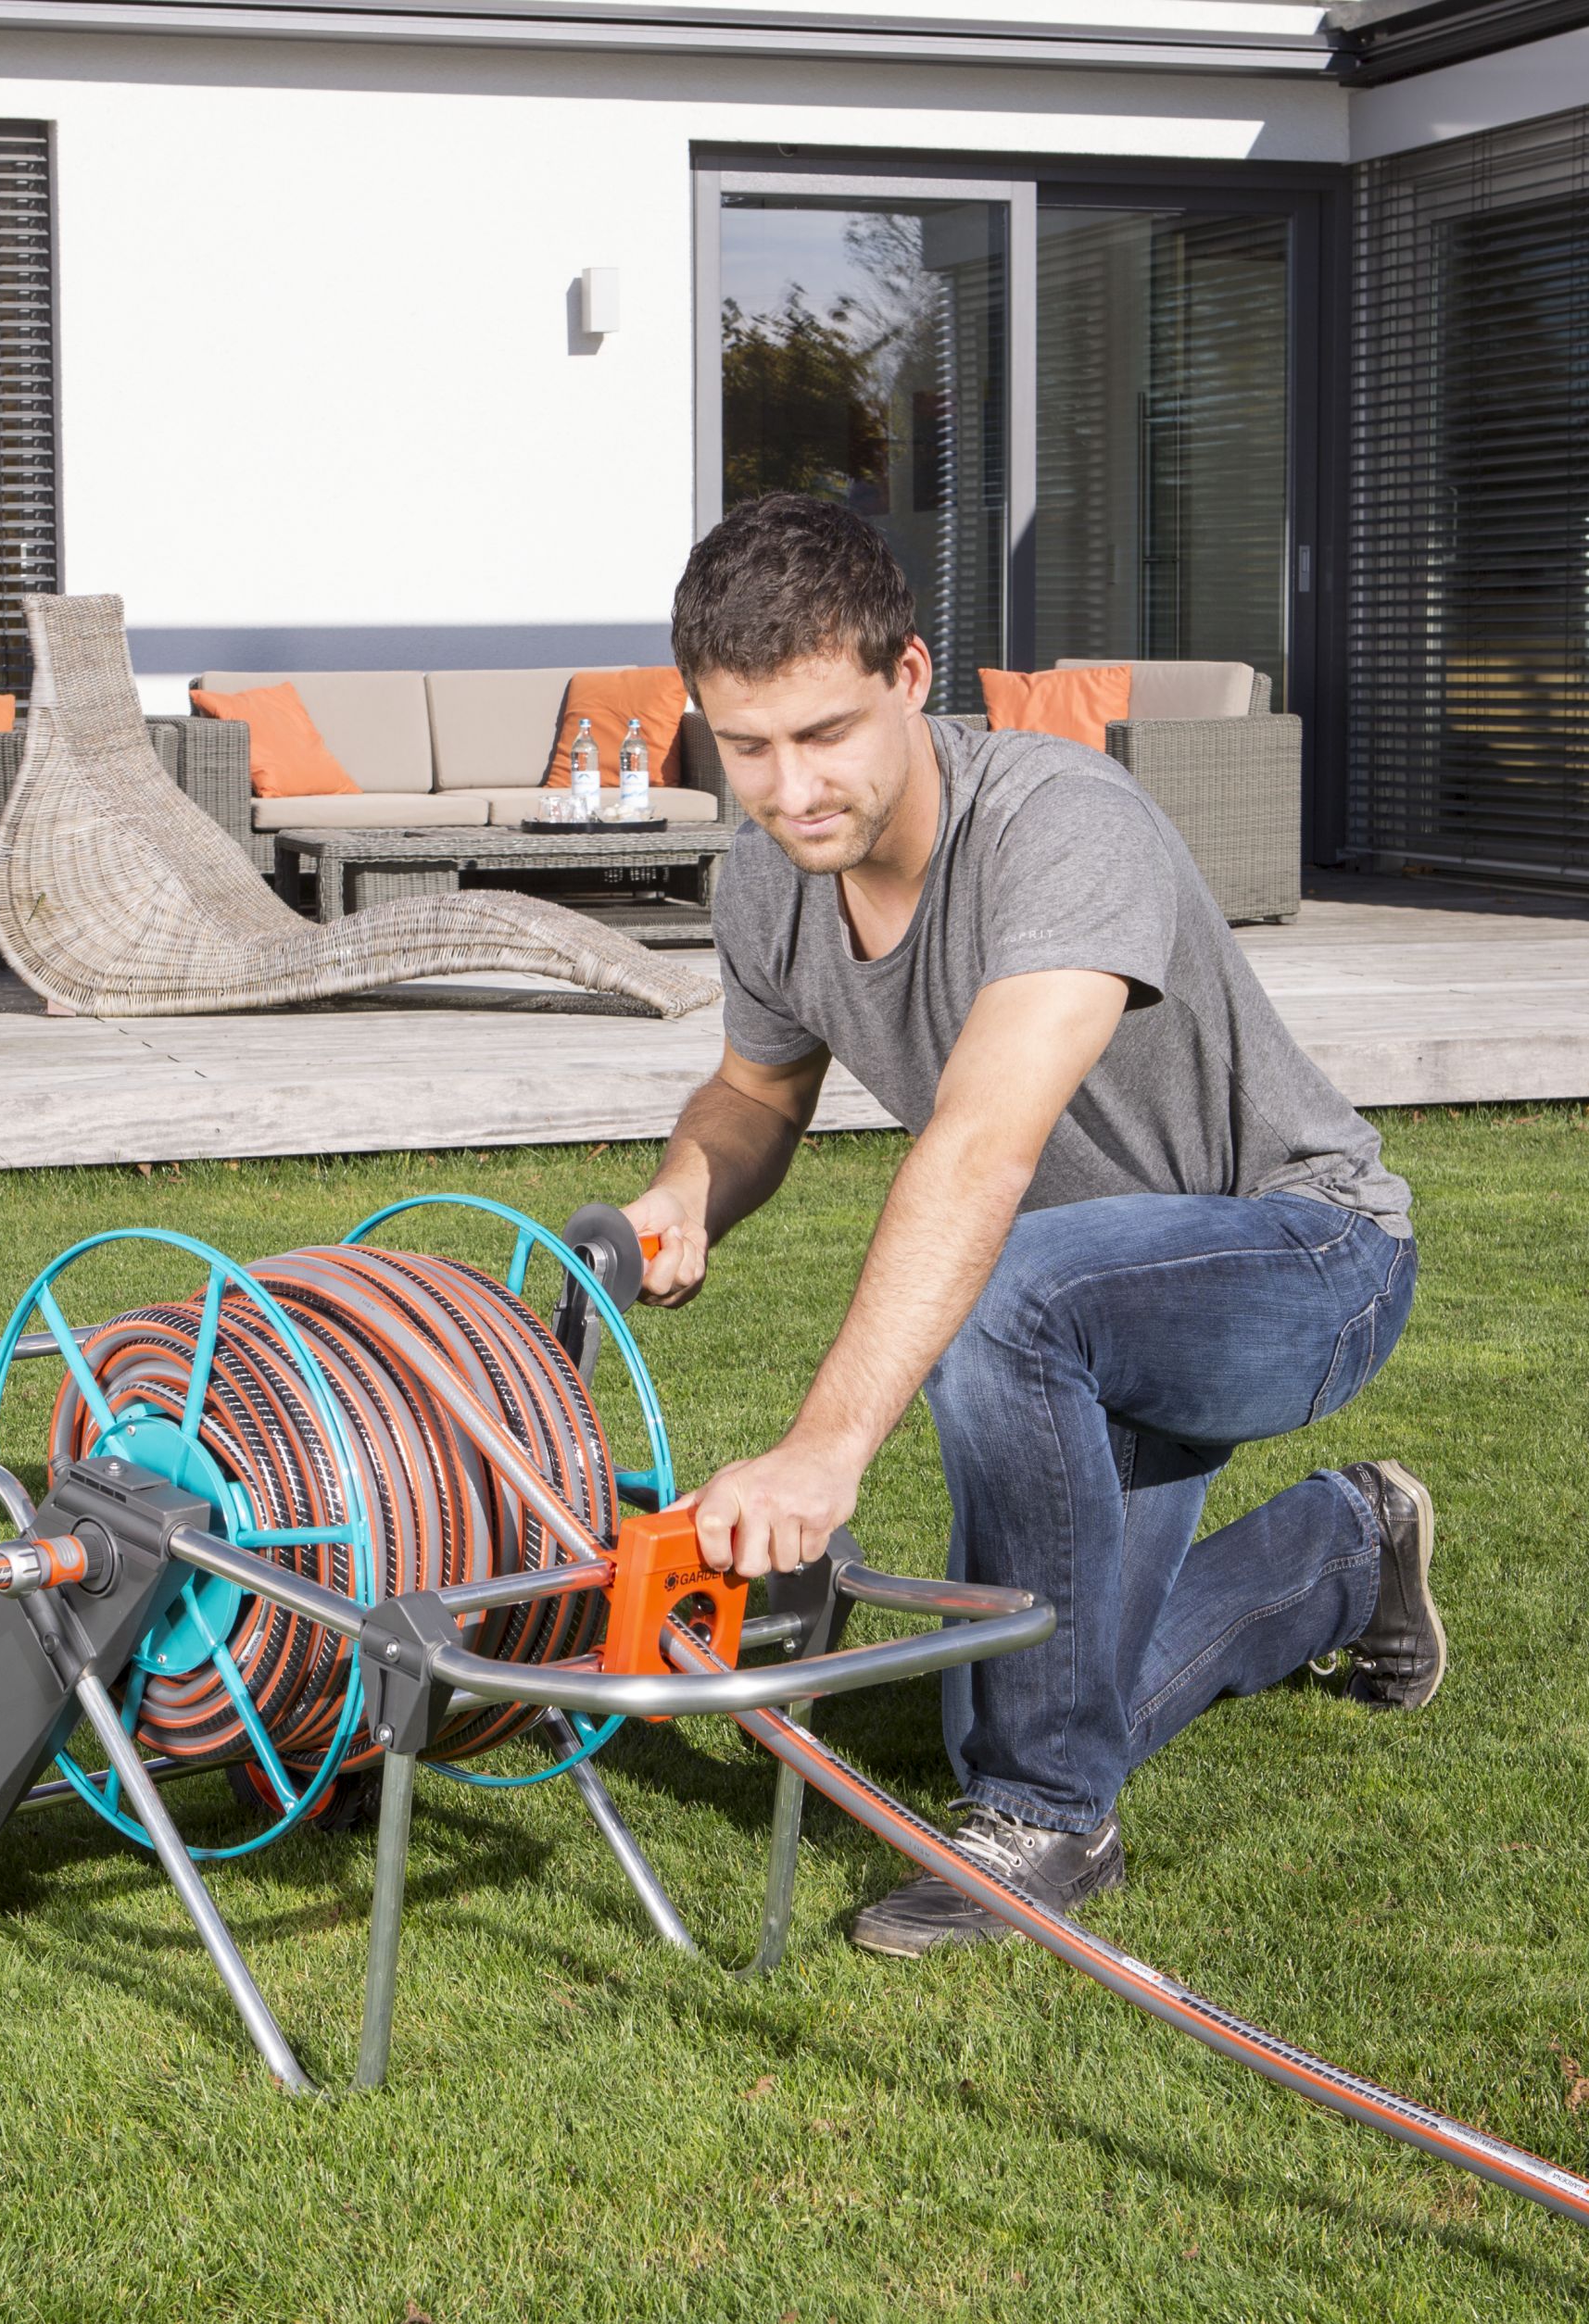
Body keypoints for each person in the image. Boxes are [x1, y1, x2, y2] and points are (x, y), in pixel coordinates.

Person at [622, 494, 1441, 1957]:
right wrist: (689, 1187)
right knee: (1015, 1685)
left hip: (1302, 1251)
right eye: (746, 746)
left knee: (1011, 1306)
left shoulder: (1062, 824)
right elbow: (754, 1093)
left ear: (913, 680)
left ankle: (1048, 1823)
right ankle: (1347, 1547)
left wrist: (826, 1446)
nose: (790, 787)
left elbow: (983, 1146)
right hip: (1077, 1301)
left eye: (825, 735)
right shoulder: (770, 881)